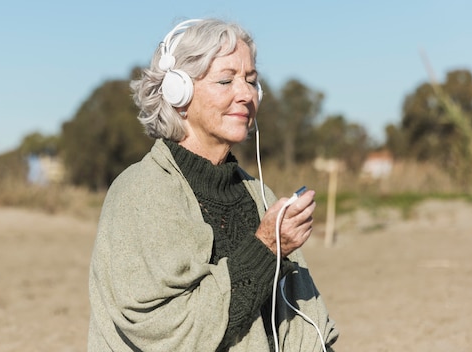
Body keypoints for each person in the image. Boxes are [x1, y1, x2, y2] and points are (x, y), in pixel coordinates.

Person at [88, 18, 338, 352]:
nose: (246, 94)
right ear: (179, 92)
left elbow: (305, 324)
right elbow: (170, 331)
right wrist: (266, 248)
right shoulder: (140, 192)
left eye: (251, 81)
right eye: (225, 80)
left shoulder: (260, 195)